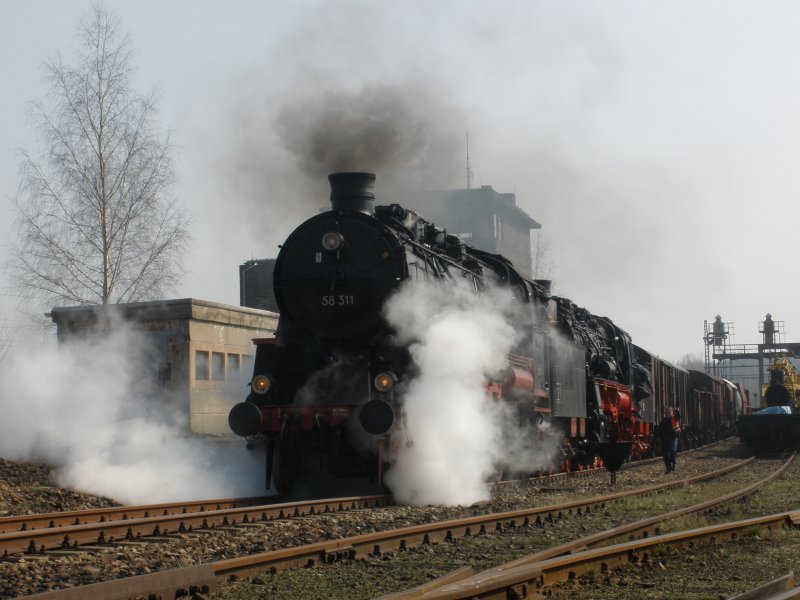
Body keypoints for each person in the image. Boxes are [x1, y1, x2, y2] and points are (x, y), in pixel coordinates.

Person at [657, 406, 681, 473]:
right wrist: (658, 438)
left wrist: (677, 409)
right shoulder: (663, 420)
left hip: (673, 438)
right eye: (666, 411)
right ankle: (668, 468)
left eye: (668, 411)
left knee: (673, 451)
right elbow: (659, 429)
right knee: (665, 454)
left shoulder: (674, 418)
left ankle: (673, 464)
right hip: (664, 438)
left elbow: (678, 415)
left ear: (672, 412)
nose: (667, 412)